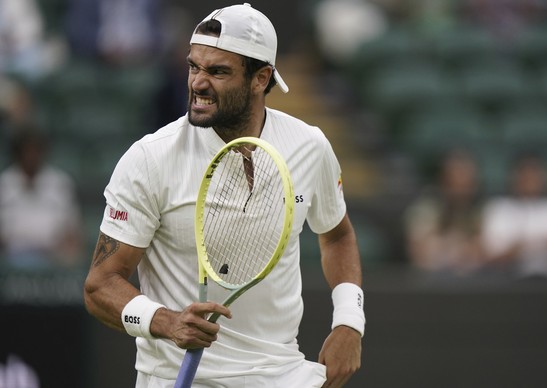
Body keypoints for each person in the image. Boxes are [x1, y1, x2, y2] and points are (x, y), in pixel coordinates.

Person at [83, 4, 365, 388]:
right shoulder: (150, 158)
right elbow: (100, 286)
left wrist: (349, 321)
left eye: (217, 71)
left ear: (260, 78)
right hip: (175, 377)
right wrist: (166, 322)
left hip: (283, 374)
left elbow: (337, 234)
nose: (198, 83)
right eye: (194, 67)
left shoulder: (309, 146)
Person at [481, 152, 547, 287]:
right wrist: (518, 250)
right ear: (514, 178)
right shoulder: (499, 208)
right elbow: (489, 256)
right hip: (509, 281)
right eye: (524, 175)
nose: (530, 179)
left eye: (535, 174)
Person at [0, 128, 84, 269]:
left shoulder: (60, 183)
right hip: (9, 260)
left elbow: (73, 232)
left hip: (52, 259)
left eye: (35, 150)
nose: (31, 156)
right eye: (27, 151)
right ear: (18, 153)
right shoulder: (4, 184)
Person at [404, 149, 485, 278]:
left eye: (466, 182)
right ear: (443, 181)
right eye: (454, 181)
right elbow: (419, 253)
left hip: (475, 282)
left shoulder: (482, 211)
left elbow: (483, 254)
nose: (460, 189)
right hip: (431, 282)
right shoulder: (425, 210)